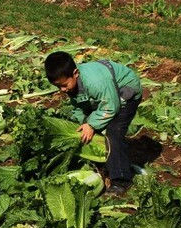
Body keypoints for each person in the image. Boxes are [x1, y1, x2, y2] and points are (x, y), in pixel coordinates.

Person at [45, 50, 143, 197]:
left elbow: (111, 107)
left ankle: (121, 179)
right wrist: (81, 124)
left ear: (75, 73)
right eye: (58, 87)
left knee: (114, 132)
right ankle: (104, 164)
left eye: (64, 85)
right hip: (107, 96)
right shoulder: (73, 84)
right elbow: (79, 106)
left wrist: (91, 125)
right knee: (86, 126)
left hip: (125, 93)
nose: (62, 90)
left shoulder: (95, 82)